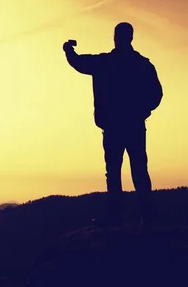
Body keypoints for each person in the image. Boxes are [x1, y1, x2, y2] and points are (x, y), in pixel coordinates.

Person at [63, 22, 163, 225]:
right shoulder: (142, 64)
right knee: (138, 169)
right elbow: (156, 94)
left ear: (118, 37)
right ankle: (146, 214)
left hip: (114, 126)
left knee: (115, 170)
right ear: (131, 38)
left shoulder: (106, 63)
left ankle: (117, 215)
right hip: (133, 125)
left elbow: (79, 63)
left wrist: (68, 50)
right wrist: (142, 111)